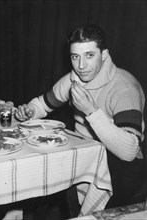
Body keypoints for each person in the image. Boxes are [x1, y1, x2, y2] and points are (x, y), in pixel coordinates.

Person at [16, 24, 145, 208]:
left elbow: (129, 152)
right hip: (85, 154)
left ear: (104, 55)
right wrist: (30, 111)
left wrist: (90, 111)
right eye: (75, 57)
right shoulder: (74, 78)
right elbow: (43, 104)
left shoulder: (124, 87)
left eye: (89, 55)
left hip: (121, 165)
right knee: (37, 172)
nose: (81, 66)